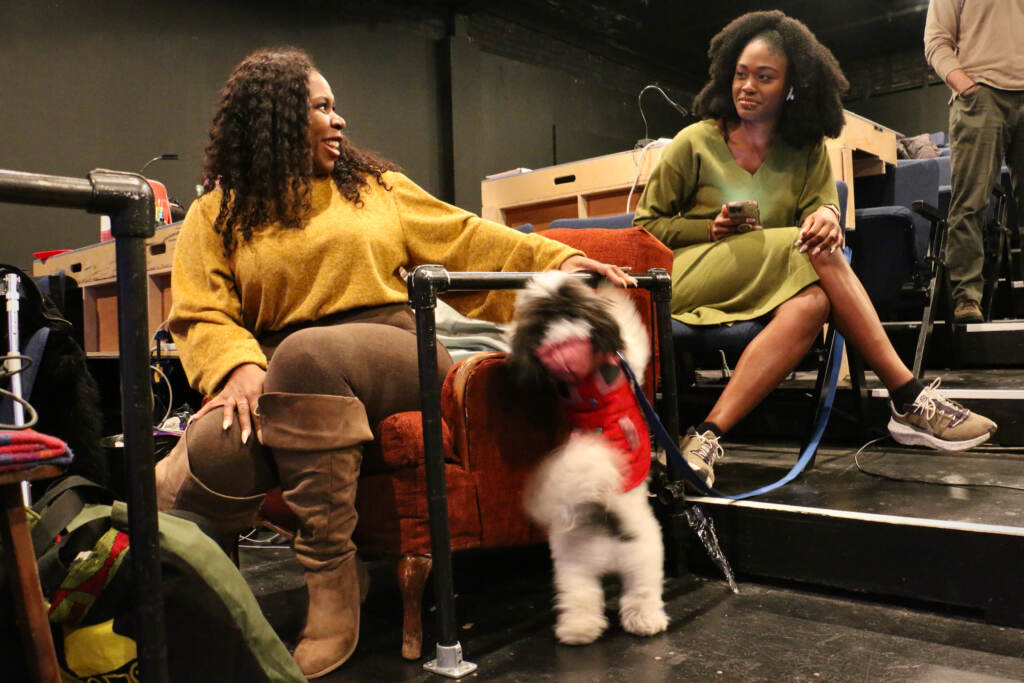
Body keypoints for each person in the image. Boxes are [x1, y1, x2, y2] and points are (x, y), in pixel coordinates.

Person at [154, 47, 634, 679]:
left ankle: (331, 582)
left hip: (395, 349)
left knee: (303, 357)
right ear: (272, 122)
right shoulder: (218, 214)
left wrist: (555, 262)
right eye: (322, 107)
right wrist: (237, 366)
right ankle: (225, 608)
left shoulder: (372, 189)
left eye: (335, 106)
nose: (339, 119)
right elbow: (201, 310)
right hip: (282, 369)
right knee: (218, 446)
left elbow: (467, 237)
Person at [633, 10, 997, 488]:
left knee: (815, 300)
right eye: (740, 73)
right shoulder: (693, 142)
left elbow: (822, 207)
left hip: (771, 279)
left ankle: (704, 436)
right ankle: (907, 396)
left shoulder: (804, 149)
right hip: (691, 277)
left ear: (790, 86)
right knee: (810, 248)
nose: (746, 86)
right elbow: (645, 229)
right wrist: (711, 228)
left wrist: (827, 214)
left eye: (764, 77)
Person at [924, 0, 1024, 323]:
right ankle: (967, 296)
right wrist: (966, 86)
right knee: (970, 201)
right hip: (980, 96)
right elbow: (936, 40)